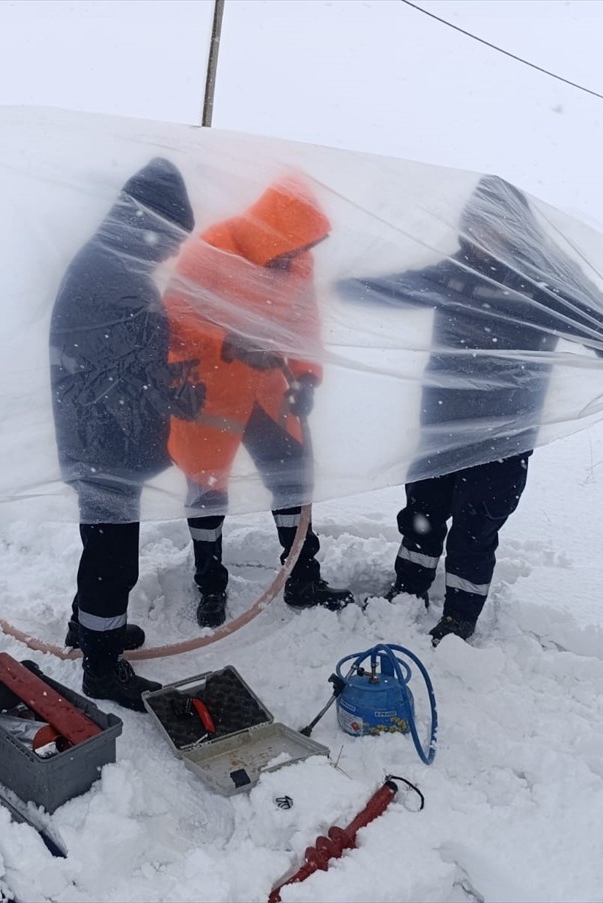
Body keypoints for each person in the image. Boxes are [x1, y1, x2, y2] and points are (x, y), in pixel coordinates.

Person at [336, 175, 603, 646]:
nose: (486, 235)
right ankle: (408, 590)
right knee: (423, 513)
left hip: (505, 430)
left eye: (496, 226)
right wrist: (336, 288)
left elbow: (599, 319)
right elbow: (399, 288)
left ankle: (460, 615)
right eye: (478, 224)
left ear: (517, 227)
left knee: (476, 526)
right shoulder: (457, 271)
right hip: (442, 420)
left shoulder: (543, 280)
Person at [163, 174, 356, 628]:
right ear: (273, 229)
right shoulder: (211, 249)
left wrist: (307, 377)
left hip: (270, 392)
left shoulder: (299, 263)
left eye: (302, 248)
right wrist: (227, 344)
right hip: (211, 392)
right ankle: (210, 583)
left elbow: (304, 324)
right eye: (291, 245)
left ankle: (302, 576)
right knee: (207, 489)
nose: (295, 256)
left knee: (293, 482)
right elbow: (175, 318)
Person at [50, 157, 203, 710]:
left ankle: (88, 628)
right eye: (170, 238)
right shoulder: (112, 276)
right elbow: (131, 363)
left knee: (102, 544)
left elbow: (133, 356)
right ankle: (101, 665)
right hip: (103, 441)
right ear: (150, 223)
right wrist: (178, 384)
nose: (171, 252)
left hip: (99, 436)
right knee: (113, 558)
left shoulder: (110, 264)